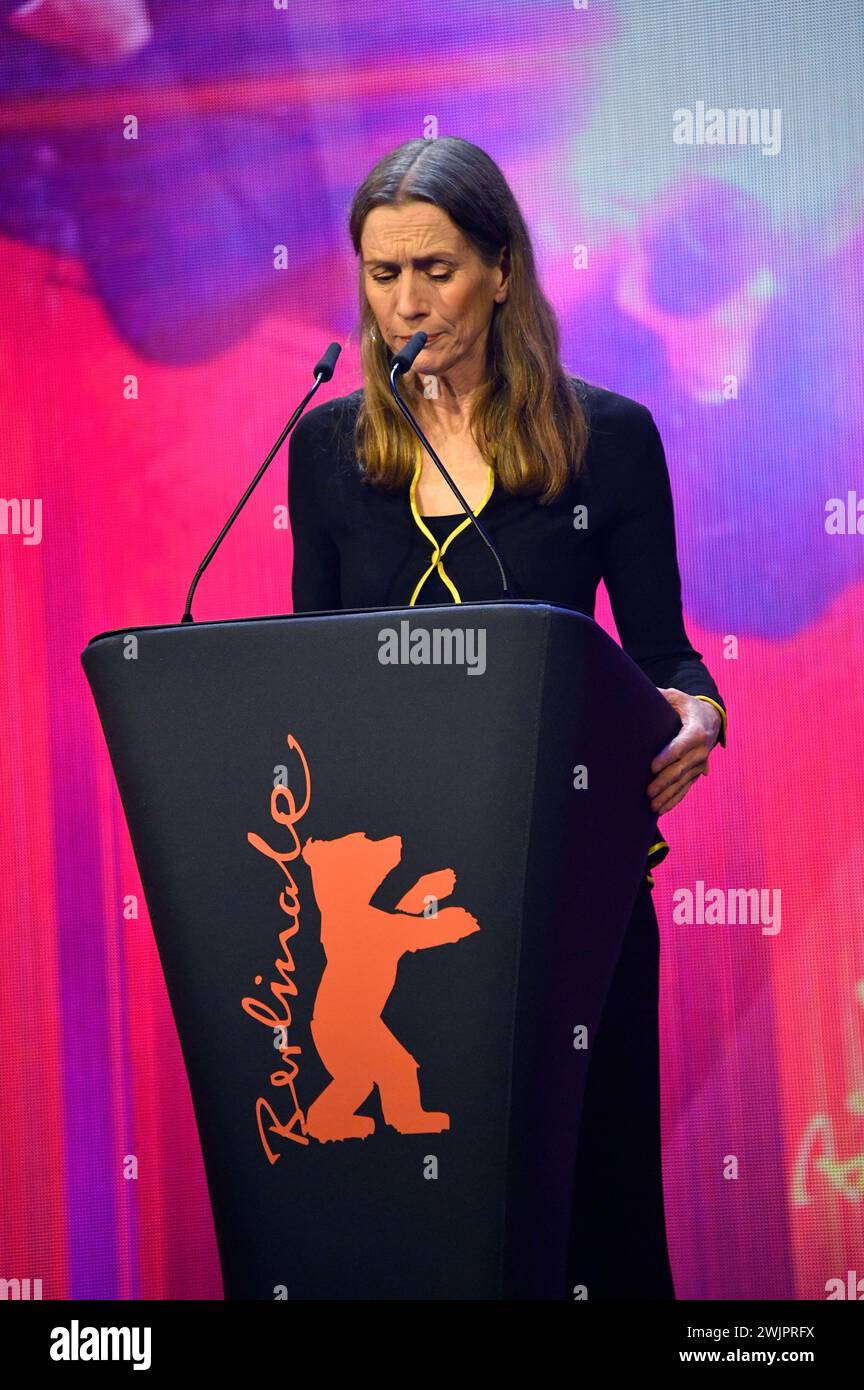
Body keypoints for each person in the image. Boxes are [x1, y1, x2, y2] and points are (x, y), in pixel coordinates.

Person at [287, 136, 727, 1300]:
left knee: (590, 1201)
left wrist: (700, 711)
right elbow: (309, 670)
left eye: (433, 268)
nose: (404, 302)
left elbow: (666, 653)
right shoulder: (326, 451)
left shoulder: (607, 438)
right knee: (409, 1210)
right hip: (390, 895)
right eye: (382, 275)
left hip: (567, 875)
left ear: (501, 269)